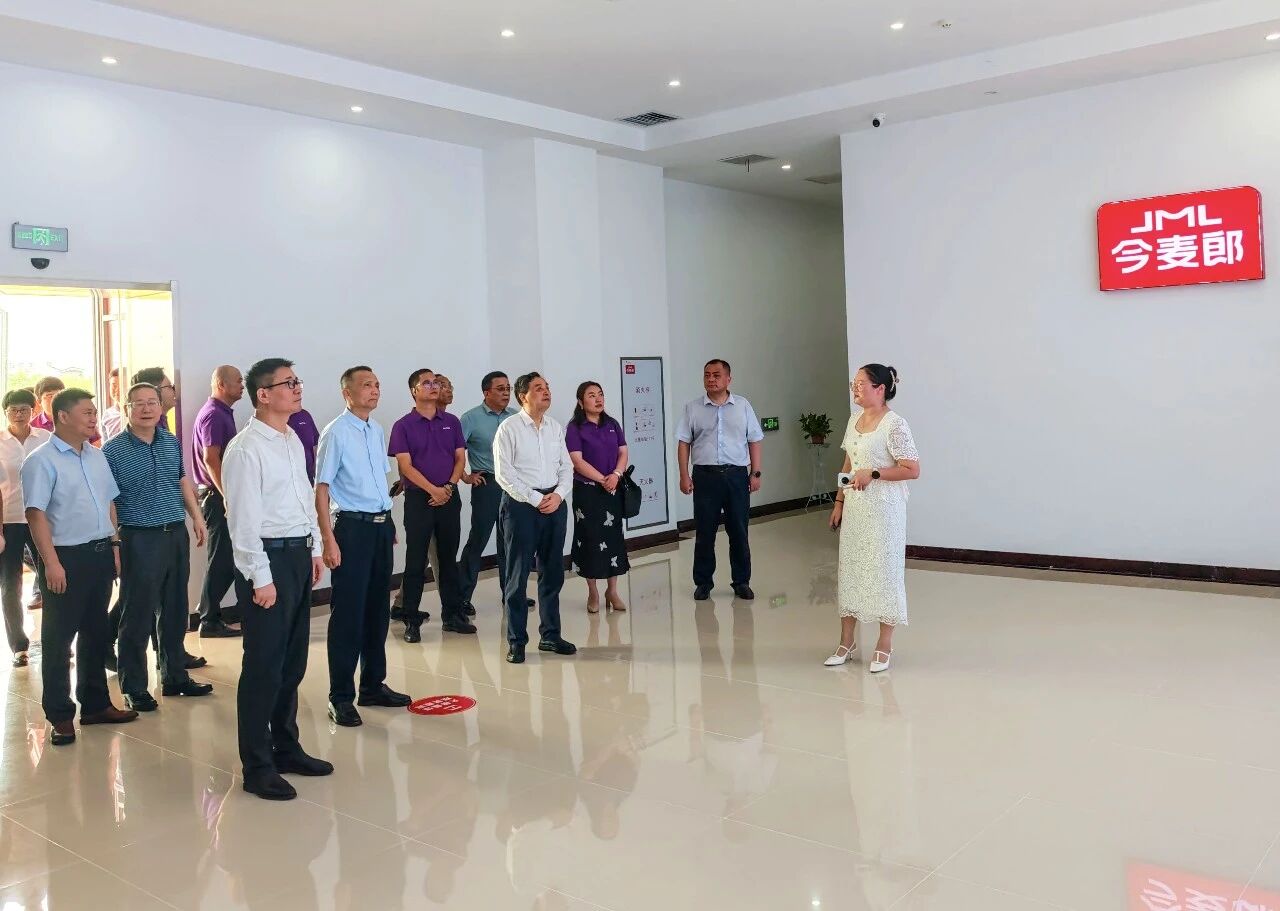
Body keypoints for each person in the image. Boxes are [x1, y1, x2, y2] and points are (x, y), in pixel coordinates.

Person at [222, 358, 331, 800]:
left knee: (292, 662)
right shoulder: (245, 449)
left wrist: (316, 549)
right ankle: (257, 765)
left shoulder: (291, 438)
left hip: (297, 555)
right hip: (266, 561)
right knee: (263, 667)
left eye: (297, 380)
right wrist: (260, 577)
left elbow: (304, 498)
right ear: (263, 394)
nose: (297, 387)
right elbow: (242, 522)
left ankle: (286, 748)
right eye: (288, 383)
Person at [21, 388, 138, 745]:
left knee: (95, 632)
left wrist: (115, 546)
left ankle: (96, 705)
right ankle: (60, 715)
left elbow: (109, 503)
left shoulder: (97, 456)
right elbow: (36, 515)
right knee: (59, 639)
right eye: (87, 412)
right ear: (63, 417)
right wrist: (51, 563)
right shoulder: (41, 461)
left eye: (94, 412)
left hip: (100, 553)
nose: (93, 418)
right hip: (65, 557)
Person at [104, 382, 214, 711]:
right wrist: (114, 542)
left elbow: (181, 480)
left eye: (152, 402)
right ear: (126, 409)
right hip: (139, 537)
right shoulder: (112, 451)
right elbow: (108, 501)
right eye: (138, 403)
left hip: (175, 533)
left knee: (175, 609)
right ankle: (134, 686)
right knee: (137, 614)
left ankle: (175, 676)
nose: (146, 408)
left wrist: (197, 517)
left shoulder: (169, 441)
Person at [316, 366, 411, 728]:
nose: (374, 390)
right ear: (347, 393)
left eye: (377, 385)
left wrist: (388, 521)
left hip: (379, 527)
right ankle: (340, 696)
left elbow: (377, 482)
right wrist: (328, 539)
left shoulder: (376, 429)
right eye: (367, 385)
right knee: (348, 614)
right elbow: (322, 489)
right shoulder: (336, 432)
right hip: (351, 529)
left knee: (376, 610)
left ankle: (372, 685)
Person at [825, 365, 920, 673]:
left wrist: (874, 473)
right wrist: (839, 501)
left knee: (884, 572)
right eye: (854, 383)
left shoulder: (895, 424)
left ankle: (884, 643)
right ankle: (846, 641)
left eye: (861, 383)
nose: (855, 388)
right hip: (856, 509)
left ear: (880, 388)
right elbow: (848, 463)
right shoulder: (853, 420)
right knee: (851, 569)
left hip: (885, 511)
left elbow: (912, 469)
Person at [493, 372, 576, 664]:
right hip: (521, 506)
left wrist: (558, 495)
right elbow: (504, 474)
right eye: (538, 388)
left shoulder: (554, 427)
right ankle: (516, 641)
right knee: (517, 576)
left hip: (554, 504)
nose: (546, 391)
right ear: (523, 396)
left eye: (547, 387)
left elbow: (566, 466)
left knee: (552, 572)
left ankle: (550, 635)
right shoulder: (509, 428)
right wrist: (536, 498)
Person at [389, 369, 470, 641]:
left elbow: (460, 458)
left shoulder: (452, 422)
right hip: (419, 499)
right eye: (426, 383)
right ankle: (411, 619)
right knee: (415, 561)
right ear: (414, 391)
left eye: (436, 383)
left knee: (448, 559)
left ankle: (452, 616)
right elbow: (405, 466)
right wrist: (433, 490)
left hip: (449, 496)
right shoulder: (403, 425)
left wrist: (448, 488)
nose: (434, 386)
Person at [676, 359, 764, 601]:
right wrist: (684, 475)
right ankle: (703, 582)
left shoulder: (743, 405)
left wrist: (755, 473)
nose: (711, 379)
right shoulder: (693, 408)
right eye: (707, 375)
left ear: (728, 379)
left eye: (716, 375)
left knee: (739, 531)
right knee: (705, 532)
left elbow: (754, 439)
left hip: (736, 476)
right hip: (705, 477)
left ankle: (741, 581)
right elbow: (684, 443)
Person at [457, 371, 525, 615]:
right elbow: (454, 451)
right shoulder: (470, 418)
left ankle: (512, 594)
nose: (506, 393)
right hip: (487, 484)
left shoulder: (516, 416)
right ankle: (462, 597)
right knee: (478, 539)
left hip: (513, 485)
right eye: (500, 389)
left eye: (508, 388)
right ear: (486, 392)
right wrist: (465, 476)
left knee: (511, 541)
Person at [190, 366, 246, 639]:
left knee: (227, 558)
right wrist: (228, 496)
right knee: (221, 559)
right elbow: (211, 458)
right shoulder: (213, 414)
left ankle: (209, 612)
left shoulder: (222, 412)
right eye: (238, 381)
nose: (243, 385)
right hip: (217, 496)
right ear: (222, 385)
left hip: (219, 495)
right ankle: (208, 619)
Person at [566, 382, 630, 613]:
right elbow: (577, 460)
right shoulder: (575, 427)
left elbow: (623, 451)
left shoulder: (612, 424)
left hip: (613, 489)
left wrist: (616, 475)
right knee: (590, 539)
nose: (598, 399)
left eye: (600, 394)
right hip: (587, 492)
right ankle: (592, 591)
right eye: (591, 395)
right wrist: (603, 479)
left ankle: (612, 591)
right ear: (581, 402)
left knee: (614, 538)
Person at [0, 389, 51, 667]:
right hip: (8, 519)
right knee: (10, 584)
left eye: (24, 409)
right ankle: (19, 646)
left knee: (50, 578)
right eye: (13, 410)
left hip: (40, 517)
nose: (19, 414)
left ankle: (54, 640)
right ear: (5, 412)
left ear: (33, 411)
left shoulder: (45, 438)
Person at [288, 407, 321, 485]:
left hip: (308, 480)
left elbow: (315, 443)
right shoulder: (274, 420)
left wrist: (317, 474)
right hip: (288, 482)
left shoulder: (304, 415)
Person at [99, 368, 124, 441]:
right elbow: (105, 444)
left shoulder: (140, 412)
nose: (117, 390)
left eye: (122, 386)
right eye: (114, 385)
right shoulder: (107, 415)